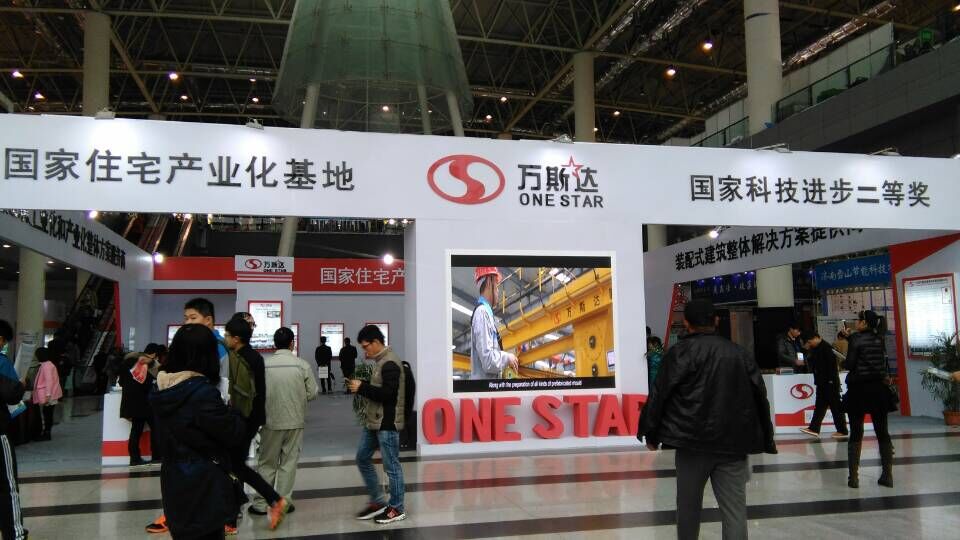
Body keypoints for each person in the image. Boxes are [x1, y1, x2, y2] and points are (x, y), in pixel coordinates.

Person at [638, 299, 777, 540]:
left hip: (691, 444)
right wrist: (767, 438)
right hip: (733, 444)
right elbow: (759, 397)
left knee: (688, 508)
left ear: (686, 323)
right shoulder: (739, 353)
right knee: (734, 511)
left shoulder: (680, 353)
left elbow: (660, 394)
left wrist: (651, 433)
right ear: (716, 321)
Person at [150, 324, 247, 540]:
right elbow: (233, 433)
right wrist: (234, 411)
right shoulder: (202, 392)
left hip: (173, 481)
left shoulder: (160, 388)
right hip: (204, 486)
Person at [222, 318, 289, 529]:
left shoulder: (241, 359)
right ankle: (271, 501)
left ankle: (234, 517)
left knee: (234, 466)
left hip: (243, 418)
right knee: (235, 466)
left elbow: (243, 395)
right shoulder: (254, 357)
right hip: (251, 418)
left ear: (236, 338)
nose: (225, 338)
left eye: (227, 335)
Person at [251, 327, 317, 517]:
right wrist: (298, 398)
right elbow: (312, 393)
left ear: (274, 344)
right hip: (295, 421)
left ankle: (261, 504)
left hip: (270, 421)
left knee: (266, 463)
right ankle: (283, 504)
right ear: (292, 343)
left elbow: (255, 393)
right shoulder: (301, 365)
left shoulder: (264, 366)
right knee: (288, 464)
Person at [348, 324, 408, 524]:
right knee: (362, 458)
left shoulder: (390, 363)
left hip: (387, 423)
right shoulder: (381, 361)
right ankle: (378, 502)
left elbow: (388, 395)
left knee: (391, 467)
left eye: (366, 346)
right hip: (374, 422)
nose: (365, 351)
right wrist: (364, 387)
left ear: (375, 342)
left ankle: (397, 508)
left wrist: (362, 387)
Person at [843, 309, 896, 489]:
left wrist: (843, 360)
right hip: (879, 390)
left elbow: (850, 364)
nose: (856, 323)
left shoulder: (856, 339)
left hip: (858, 390)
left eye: (858, 320)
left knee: (856, 432)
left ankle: (853, 478)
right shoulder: (879, 338)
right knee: (882, 432)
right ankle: (887, 475)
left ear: (864, 323)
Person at [0, 319, 26, 540]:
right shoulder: (1, 362)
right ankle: (15, 534)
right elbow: (13, 393)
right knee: (7, 485)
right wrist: (22, 385)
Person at [798, 331, 849, 440]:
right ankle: (814, 428)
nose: (809, 344)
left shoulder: (827, 348)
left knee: (835, 407)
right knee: (820, 407)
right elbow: (812, 362)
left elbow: (832, 367)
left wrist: (831, 382)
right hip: (821, 382)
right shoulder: (815, 349)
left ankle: (842, 430)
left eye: (809, 342)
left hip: (829, 383)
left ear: (815, 338)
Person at [470, 267, 519, 379]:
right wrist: (508, 358)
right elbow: (488, 361)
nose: (498, 291)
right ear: (489, 282)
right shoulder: (482, 313)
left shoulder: (487, 314)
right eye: (496, 285)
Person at [118, 343, 162, 466]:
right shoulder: (147, 362)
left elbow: (121, 382)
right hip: (144, 402)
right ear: (154, 354)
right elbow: (149, 383)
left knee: (136, 430)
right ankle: (157, 456)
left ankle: (134, 458)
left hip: (130, 401)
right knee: (156, 427)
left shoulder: (128, 360)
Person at [24, 347, 62, 441]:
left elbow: (49, 381)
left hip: (48, 395)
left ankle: (47, 433)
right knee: (48, 413)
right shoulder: (47, 364)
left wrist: (48, 395)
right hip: (51, 394)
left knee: (47, 414)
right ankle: (46, 432)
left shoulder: (46, 366)